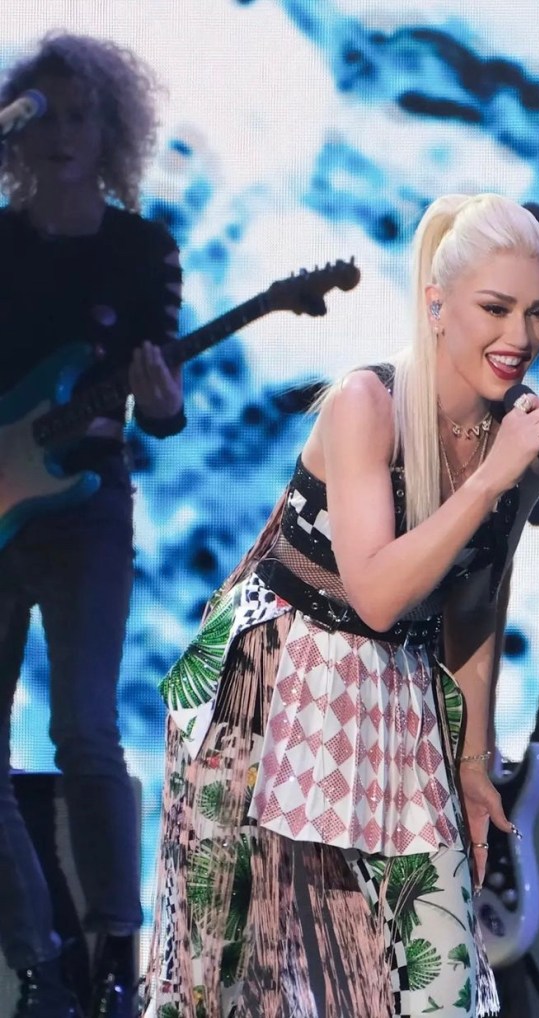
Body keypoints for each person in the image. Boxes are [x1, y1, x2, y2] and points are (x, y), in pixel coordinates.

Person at [143, 192, 539, 1018]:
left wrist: (474, 761)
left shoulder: (515, 445)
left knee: (440, 980)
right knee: (230, 984)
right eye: (496, 309)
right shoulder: (365, 404)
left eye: (537, 313)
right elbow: (376, 594)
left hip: (397, 697)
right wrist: (489, 479)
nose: (519, 336)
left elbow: (476, 604)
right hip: (270, 687)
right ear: (437, 305)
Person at [0, 33, 185, 1018]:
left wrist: (160, 403)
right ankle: (37, 971)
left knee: (84, 728)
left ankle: (116, 963)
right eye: (46, 116)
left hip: (87, 514)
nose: (64, 135)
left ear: (112, 133)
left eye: (83, 117)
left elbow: (161, 413)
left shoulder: (141, 251)